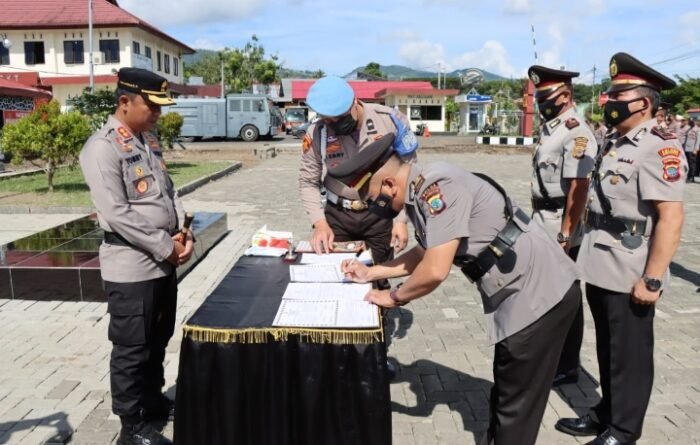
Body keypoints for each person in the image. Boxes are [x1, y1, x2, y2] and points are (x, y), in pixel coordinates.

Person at [339, 145, 580, 445]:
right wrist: (371, 273)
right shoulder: (420, 189)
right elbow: (424, 251)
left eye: (376, 200)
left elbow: (435, 270)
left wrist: (394, 298)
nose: (379, 208)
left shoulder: (438, 188)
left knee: (516, 405)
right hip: (518, 291)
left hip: (539, 293)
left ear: (389, 184)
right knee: (508, 389)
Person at [555, 52, 686, 445]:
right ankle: (607, 412)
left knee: (629, 353)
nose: (608, 101)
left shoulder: (658, 147)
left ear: (643, 102)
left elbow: (670, 218)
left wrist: (653, 278)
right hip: (600, 258)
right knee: (608, 347)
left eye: (617, 94)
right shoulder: (616, 142)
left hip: (630, 266)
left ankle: (625, 430)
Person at [80, 68, 193, 445]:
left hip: (162, 262)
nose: (158, 114)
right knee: (131, 348)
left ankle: (152, 401)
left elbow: (168, 191)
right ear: (125, 102)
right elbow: (115, 213)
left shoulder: (147, 139)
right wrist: (166, 246)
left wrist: (183, 230)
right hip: (131, 266)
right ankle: (132, 427)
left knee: (158, 339)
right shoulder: (103, 147)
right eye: (152, 106)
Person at [299, 76, 418, 282]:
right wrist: (319, 223)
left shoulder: (389, 121)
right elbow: (308, 181)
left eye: (339, 117)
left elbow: (409, 173)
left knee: (378, 277)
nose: (333, 124)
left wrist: (401, 221)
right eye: (327, 119)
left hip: (380, 213)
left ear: (355, 102)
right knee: (338, 278)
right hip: (338, 217)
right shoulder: (317, 133)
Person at [528, 65, 598, 386]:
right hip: (543, 218)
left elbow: (578, 188)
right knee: (549, 292)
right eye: (538, 96)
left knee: (565, 295)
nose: (540, 102)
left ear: (565, 95)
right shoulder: (552, 128)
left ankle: (567, 364)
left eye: (545, 96)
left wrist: (565, 234)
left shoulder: (576, 132)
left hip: (559, 222)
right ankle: (554, 356)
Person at [683, 119, 698, 183]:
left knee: (692, 164)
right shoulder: (689, 129)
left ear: (695, 122)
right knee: (688, 163)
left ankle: (692, 177)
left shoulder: (697, 130)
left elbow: (698, 140)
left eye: (692, 122)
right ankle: (688, 176)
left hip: (692, 149)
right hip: (687, 149)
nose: (691, 123)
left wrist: (695, 149)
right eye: (690, 122)